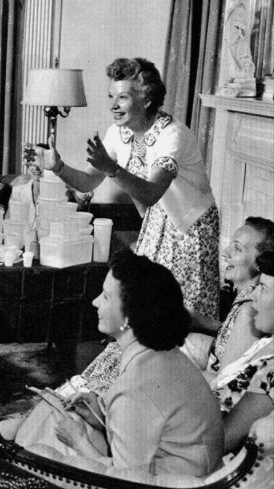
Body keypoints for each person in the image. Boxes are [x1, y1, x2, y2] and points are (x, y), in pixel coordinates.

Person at [30, 57, 219, 327]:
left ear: (147, 99)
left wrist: (110, 167)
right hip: (156, 221)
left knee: (183, 311)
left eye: (123, 97)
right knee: (146, 305)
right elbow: (86, 182)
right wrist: (58, 167)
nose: (113, 105)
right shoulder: (118, 133)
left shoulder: (171, 135)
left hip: (191, 225)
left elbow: (151, 193)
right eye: (111, 97)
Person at [15, 250, 223, 477]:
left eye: (105, 296)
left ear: (129, 317)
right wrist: (99, 415)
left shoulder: (133, 387)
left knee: (45, 440)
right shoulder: (168, 356)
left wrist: (79, 442)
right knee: (54, 412)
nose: (94, 302)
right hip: (188, 474)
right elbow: (152, 427)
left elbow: (126, 486)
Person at [213, 250, 274, 454]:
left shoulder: (271, 371)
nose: (253, 295)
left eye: (263, 289)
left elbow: (222, 439)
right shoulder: (266, 342)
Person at [204, 218, 274, 377]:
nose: (225, 253)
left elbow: (223, 381)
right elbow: (231, 334)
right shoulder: (245, 295)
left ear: (259, 262)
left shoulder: (251, 309)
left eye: (237, 248)